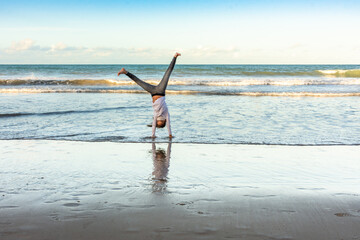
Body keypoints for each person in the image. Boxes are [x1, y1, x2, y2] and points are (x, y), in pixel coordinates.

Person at [117, 52, 181, 138]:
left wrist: (153, 135)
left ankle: (125, 71)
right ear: (165, 120)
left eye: (159, 121)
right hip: (161, 92)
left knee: (138, 82)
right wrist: (170, 134)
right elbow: (169, 125)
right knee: (168, 73)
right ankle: (175, 57)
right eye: (162, 121)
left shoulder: (155, 115)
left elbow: (154, 125)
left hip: (153, 92)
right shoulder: (166, 114)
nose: (160, 120)